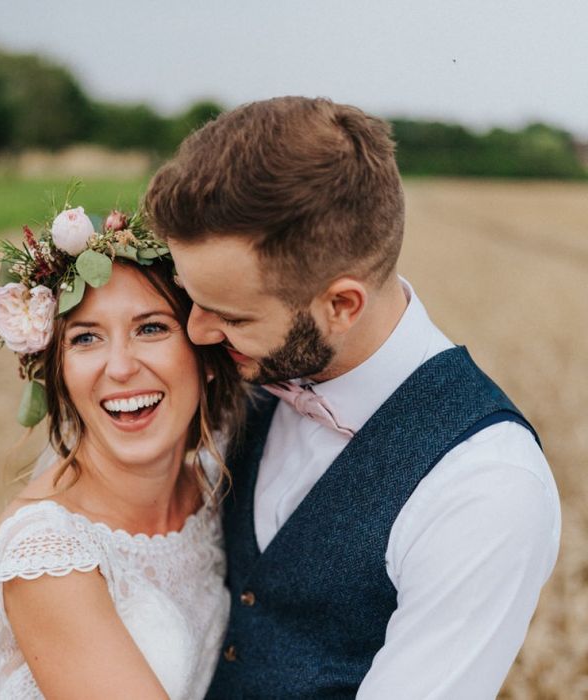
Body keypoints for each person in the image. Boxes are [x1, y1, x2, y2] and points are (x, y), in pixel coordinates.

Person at [143, 96, 561, 699]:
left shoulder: (486, 487)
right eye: (191, 298)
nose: (198, 333)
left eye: (230, 316)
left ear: (341, 305)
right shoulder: (248, 371)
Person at [0, 206, 243, 699]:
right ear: (57, 372)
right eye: (86, 338)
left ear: (206, 354)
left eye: (151, 328)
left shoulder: (214, 490)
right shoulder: (47, 555)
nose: (121, 367)